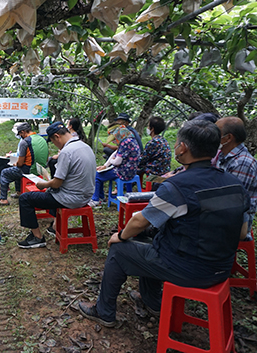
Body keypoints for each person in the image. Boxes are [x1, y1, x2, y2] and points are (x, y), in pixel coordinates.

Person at [78, 120, 248, 327]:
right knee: (152, 240)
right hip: (221, 268)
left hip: (189, 270)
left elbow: (139, 220)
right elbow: (242, 233)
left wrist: (120, 236)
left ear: (183, 148)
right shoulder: (235, 184)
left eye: (176, 143)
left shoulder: (177, 185)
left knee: (120, 250)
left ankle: (103, 312)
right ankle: (152, 301)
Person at [17, 122, 95, 249]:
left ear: (57, 136)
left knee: (25, 198)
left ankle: (37, 237)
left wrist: (43, 184)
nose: (54, 144)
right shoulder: (85, 146)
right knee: (51, 192)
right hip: (86, 195)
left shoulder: (66, 152)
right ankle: (55, 226)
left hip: (71, 198)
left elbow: (57, 183)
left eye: (53, 141)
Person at [215, 116, 257, 241]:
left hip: (234, 224)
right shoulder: (224, 156)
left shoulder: (242, 163)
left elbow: (231, 205)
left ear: (228, 138)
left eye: (216, 133)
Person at [0, 122, 49, 206]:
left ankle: (3, 199)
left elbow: (20, 164)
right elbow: (46, 158)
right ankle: (19, 192)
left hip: (29, 170)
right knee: (17, 171)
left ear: (23, 132)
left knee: (5, 173)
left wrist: (15, 163)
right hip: (41, 169)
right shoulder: (42, 139)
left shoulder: (25, 142)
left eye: (20, 134)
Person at [89, 135, 141, 207]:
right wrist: (105, 166)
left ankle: (96, 199)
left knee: (98, 175)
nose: (113, 141)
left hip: (123, 172)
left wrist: (112, 160)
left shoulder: (124, 143)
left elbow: (117, 162)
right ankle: (101, 198)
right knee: (100, 173)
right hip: (132, 170)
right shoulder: (131, 139)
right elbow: (116, 153)